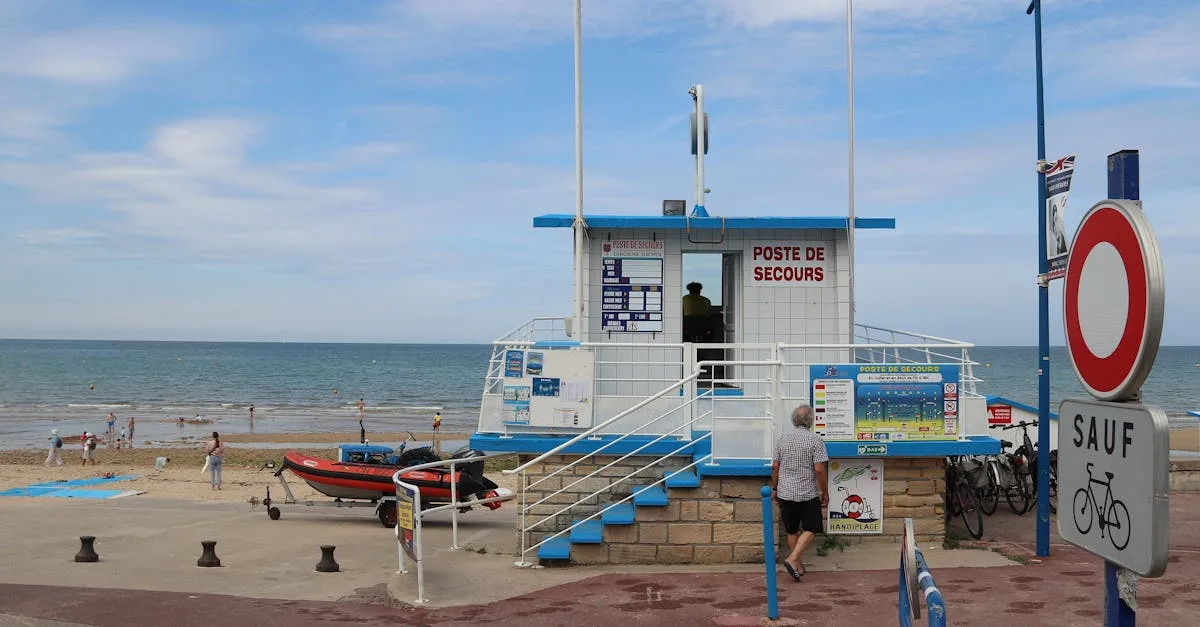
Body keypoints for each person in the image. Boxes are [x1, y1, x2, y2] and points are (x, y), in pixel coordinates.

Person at [771, 404, 829, 582]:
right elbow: (819, 470)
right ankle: (793, 559)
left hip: (785, 492)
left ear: (794, 421)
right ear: (811, 421)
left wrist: (775, 488)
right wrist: (825, 492)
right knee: (812, 528)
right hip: (807, 492)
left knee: (791, 530)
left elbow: (775, 466)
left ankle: (798, 565)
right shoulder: (815, 440)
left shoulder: (782, 439)